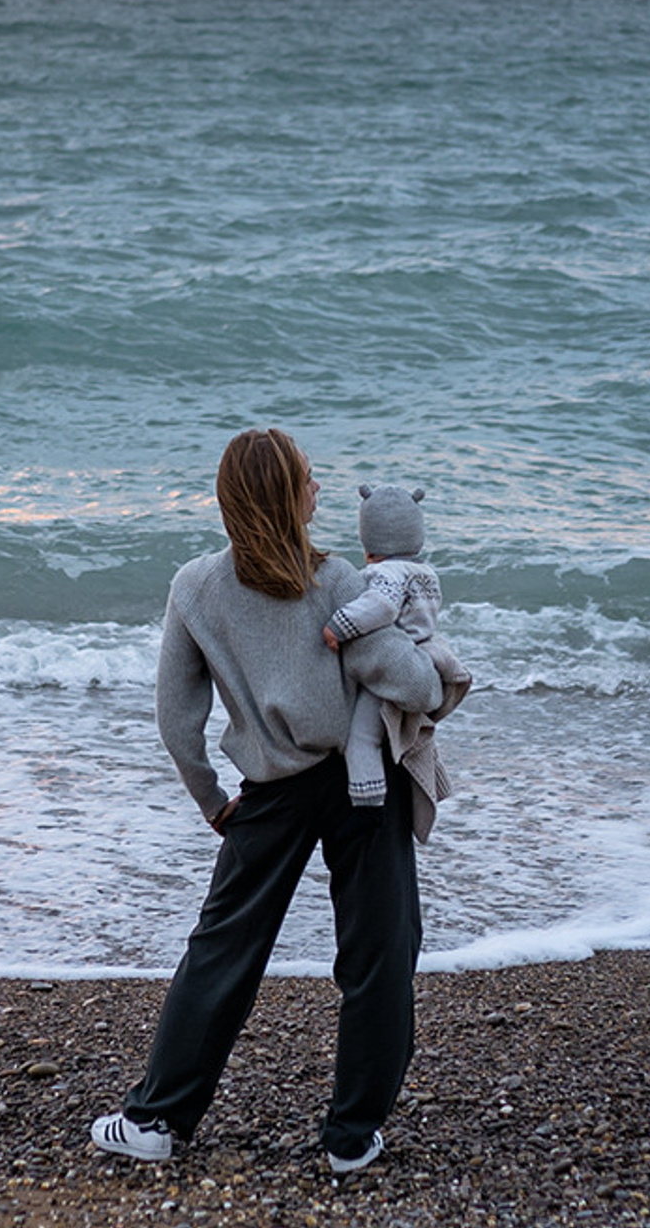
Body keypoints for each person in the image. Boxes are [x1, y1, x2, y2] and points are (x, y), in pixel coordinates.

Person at [89, 427, 465, 1177]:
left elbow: (177, 719)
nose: (320, 490)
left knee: (224, 949)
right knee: (380, 953)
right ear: (290, 497)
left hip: (268, 789)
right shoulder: (342, 585)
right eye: (309, 479)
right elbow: (413, 685)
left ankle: (158, 1118)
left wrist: (209, 797)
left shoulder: (195, 585)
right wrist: (441, 671)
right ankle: (351, 1138)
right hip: (365, 785)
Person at [322, 482, 456, 818]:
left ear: (369, 545)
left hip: (393, 662)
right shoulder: (425, 573)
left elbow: (380, 607)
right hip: (418, 657)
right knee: (405, 735)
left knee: (362, 738)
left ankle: (368, 803)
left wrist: (339, 624)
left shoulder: (384, 574)